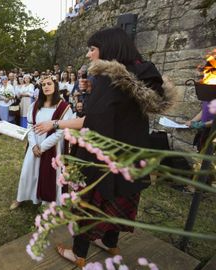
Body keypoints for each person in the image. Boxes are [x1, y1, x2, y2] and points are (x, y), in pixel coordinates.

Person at [33, 27, 175, 267]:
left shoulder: (109, 80)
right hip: (129, 155)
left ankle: (78, 254)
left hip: (103, 157)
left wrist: (54, 123)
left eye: (92, 49)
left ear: (107, 49)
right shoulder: (139, 74)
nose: (88, 55)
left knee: (89, 203)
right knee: (118, 198)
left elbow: (93, 121)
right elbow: (119, 113)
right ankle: (110, 243)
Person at [10, 76, 73, 210]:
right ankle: (22, 196)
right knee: (28, 171)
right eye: (43, 84)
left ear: (55, 86)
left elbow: (60, 131)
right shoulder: (35, 105)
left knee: (49, 173)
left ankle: (48, 201)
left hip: (52, 147)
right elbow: (30, 126)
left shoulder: (64, 107)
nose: (46, 86)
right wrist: (33, 145)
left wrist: (43, 147)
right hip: (35, 145)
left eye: (49, 84)